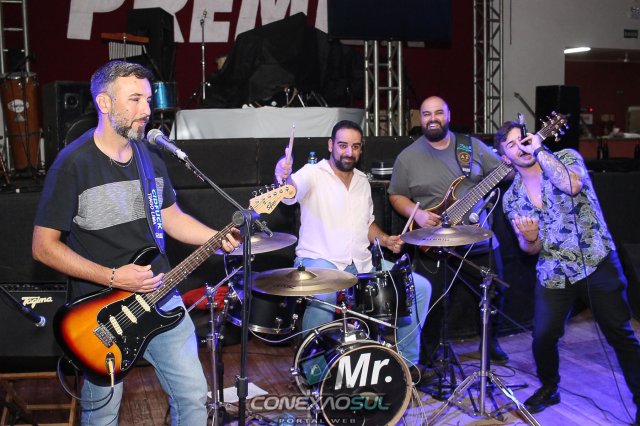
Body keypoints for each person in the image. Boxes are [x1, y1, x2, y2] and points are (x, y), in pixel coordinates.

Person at [32, 60, 239, 425]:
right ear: (104, 103)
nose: (146, 110)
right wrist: (114, 277)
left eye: (148, 99)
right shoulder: (73, 164)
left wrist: (216, 237)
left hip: (161, 294)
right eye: (135, 100)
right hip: (100, 313)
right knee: (103, 414)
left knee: (193, 397)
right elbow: (43, 247)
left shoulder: (150, 157)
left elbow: (171, 217)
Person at [495, 120, 640, 421]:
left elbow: (571, 185)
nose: (520, 146)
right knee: (543, 336)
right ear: (504, 158)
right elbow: (529, 248)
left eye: (523, 139)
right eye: (511, 145)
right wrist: (530, 239)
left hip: (596, 261)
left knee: (620, 335)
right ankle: (550, 387)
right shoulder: (512, 198)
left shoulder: (566, 158)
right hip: (554, 272)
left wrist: (540, 151)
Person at [274, 120, 432, 379]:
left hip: (360, 262)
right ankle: (312, 372)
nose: (349, 152)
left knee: (420, 288)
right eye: (343, 145)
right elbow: (288, 192)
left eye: (355, 146)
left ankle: (405, 364)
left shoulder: (362, 181)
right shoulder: (312, 173)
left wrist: (385, 240)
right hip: (319, 260)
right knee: (324, 294)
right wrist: (282, 172)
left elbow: (367, 224)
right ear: (330, 145)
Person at [388, 95, 509, 367]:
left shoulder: (471, 146)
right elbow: (396, 195)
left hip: (477, 239)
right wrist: (418, 214)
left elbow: (506, 172)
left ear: (449, 115)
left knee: (493, 293)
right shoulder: (407, 157)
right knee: (433, 301)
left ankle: (491, 343)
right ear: (420, 119)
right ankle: (429, 356)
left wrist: (516, 156)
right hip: (433, 242)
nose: (433, 119)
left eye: (439, 113)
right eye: (427, 114)